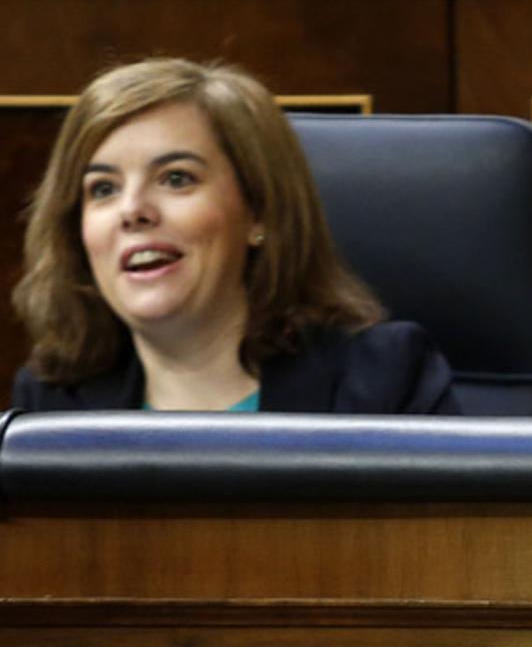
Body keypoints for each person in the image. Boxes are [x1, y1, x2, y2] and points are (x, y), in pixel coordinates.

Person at [12, 57, 457, 414]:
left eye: (176, 178)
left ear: (259, 211)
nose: (132, 211)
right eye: (103, 189)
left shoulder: (382, 383)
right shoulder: (53, 405)